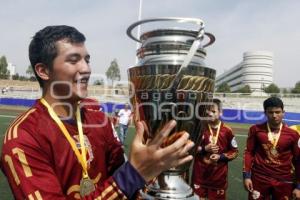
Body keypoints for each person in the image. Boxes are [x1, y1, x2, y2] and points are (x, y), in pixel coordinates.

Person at [0, 25, 194, 199]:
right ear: (43, 71)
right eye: (73, 60)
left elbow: (120, 174)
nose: (86, 68)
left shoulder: (97, 116)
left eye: (87, 59)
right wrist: (133, 174)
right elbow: (127, 178)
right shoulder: (23, 138)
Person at [243, 96, 300, 200]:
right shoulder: (255, 130)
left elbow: (298, 160)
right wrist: (246, 176)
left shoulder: (293, 134)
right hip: (259, 178)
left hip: (283, 180)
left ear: (283, 112)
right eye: (270, 112)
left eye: (278, 112)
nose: (274, 116)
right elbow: (249, 153)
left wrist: (298, 187)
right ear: (265, 113)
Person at [192, 98, 238, 200]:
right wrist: (204, 149)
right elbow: (190, 149)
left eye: (213, 111)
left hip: (218, 179)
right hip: (200, 177)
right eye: (207, 111)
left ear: (220, 113)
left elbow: (235, 152)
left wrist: (220, 157)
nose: (210, 114)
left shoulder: (227, 131)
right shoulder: (199, 128)